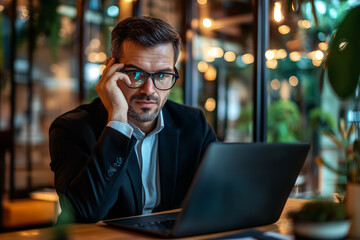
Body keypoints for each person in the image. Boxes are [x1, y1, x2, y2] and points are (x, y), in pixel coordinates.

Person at [49, 16, 216, 223]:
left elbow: (221, 195)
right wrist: (118, 119)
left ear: (173, 73)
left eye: (162, 76)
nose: (149, 90)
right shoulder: (72, 129)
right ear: (111, 69)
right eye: (136, 74)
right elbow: (85, 214)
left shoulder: (193, 123)